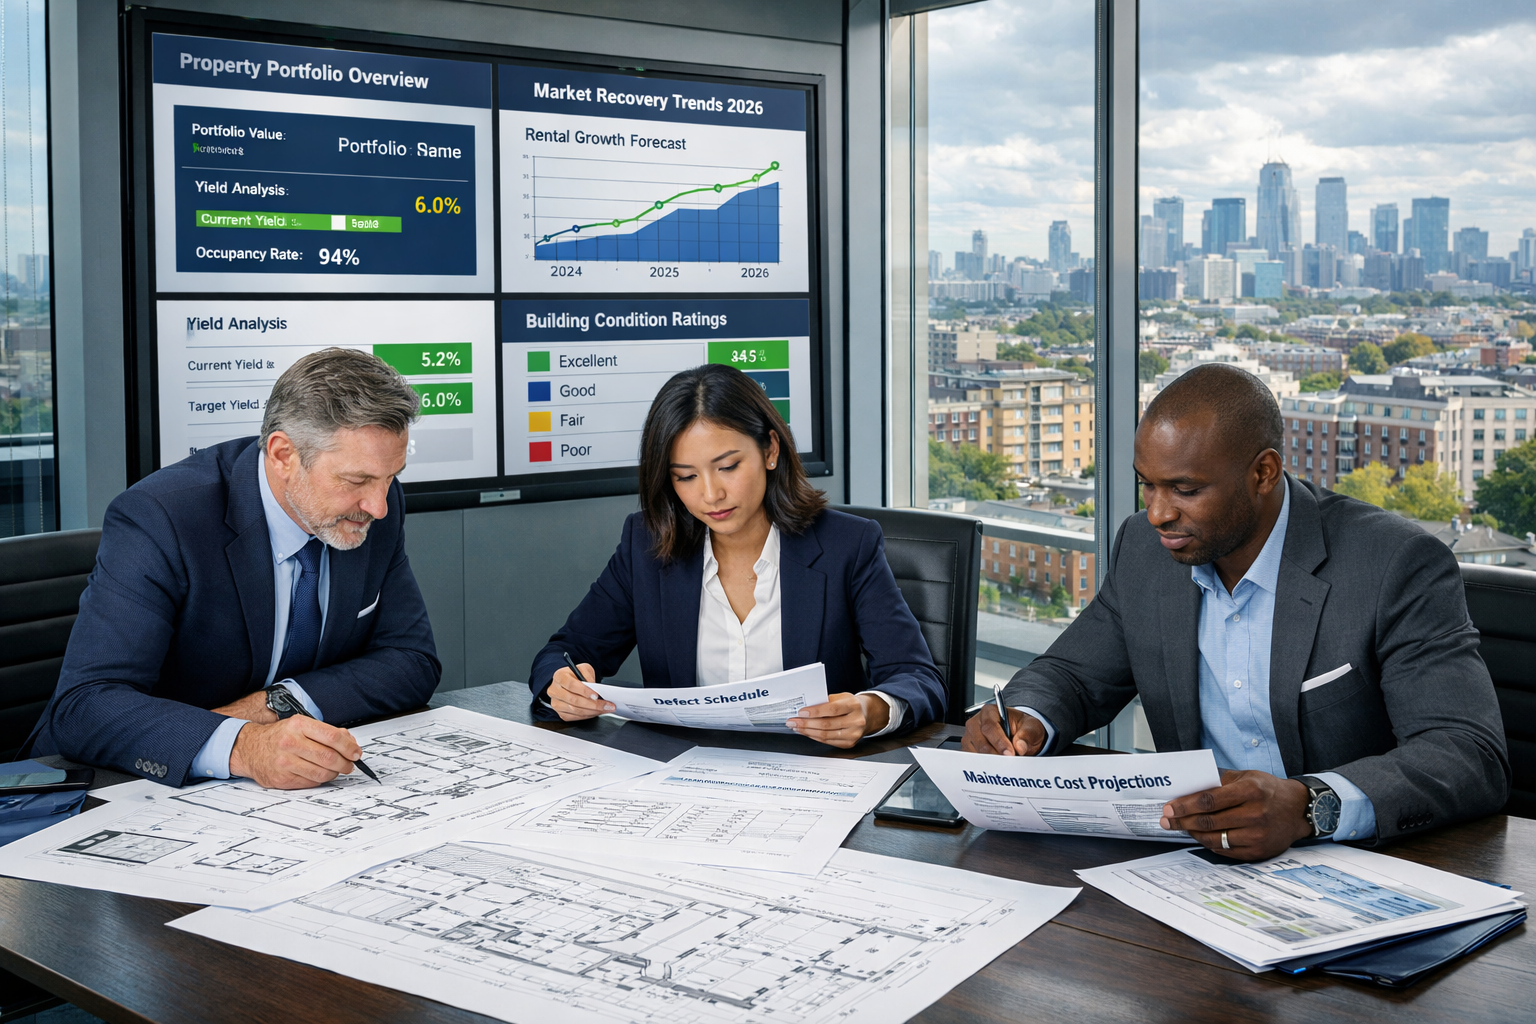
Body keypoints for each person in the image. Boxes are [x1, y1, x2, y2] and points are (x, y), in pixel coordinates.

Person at [963, 363, 1508, 860]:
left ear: (1263, 473)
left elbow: (1467, 753)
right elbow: (1073, 676)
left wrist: (1307, 806)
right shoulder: (1145, 551)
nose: (1156, 513)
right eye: (1146, 485)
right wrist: (1025, 719)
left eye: (1185, 489)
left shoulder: (1393, 563)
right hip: (1194, 864)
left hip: (1360, 861)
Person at [25, 348, 440, 789]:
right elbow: (86, 706)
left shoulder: (376, 507)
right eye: (356, 481)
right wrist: (243, 746)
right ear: (283, 454)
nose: (377, 505)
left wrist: (276, 706)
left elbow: (411, 660)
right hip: (123, 788)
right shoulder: (162, 517)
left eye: (391, 476)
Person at [530, 363, 945, 745]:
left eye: (727, 467)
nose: (711, 494)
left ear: (770, 450)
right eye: (686, 477)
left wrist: (870, 711)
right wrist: (561, 684)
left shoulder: (846, 545)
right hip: (682, 781)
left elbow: (916, 677)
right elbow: (564, 652)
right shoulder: (645, 545)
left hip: (813, 778)